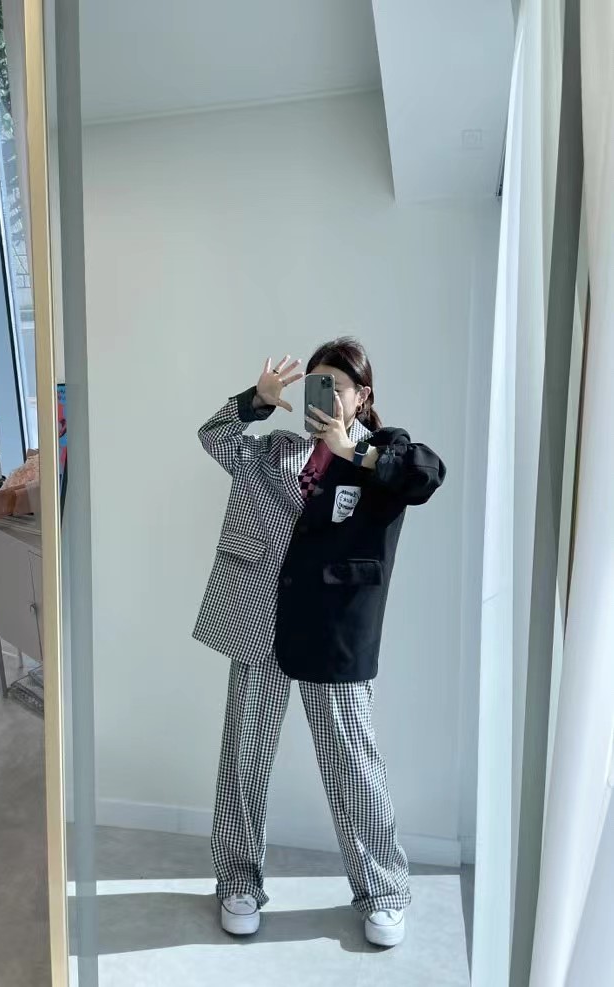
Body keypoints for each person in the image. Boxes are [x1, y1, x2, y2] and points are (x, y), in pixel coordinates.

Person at [194, 337, 446, 947]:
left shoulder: (383, 455)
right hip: (260, 623)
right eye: (316, 381)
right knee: (243, 758)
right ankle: (238, 881)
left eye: (337, 384)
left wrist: (354, 451)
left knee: (352, 764)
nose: (325, 393)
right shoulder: (273, 451)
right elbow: (213, 437)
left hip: (334, 631)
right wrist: (256, 401)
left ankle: (383, 892)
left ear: (362, 396)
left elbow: (427, 476)